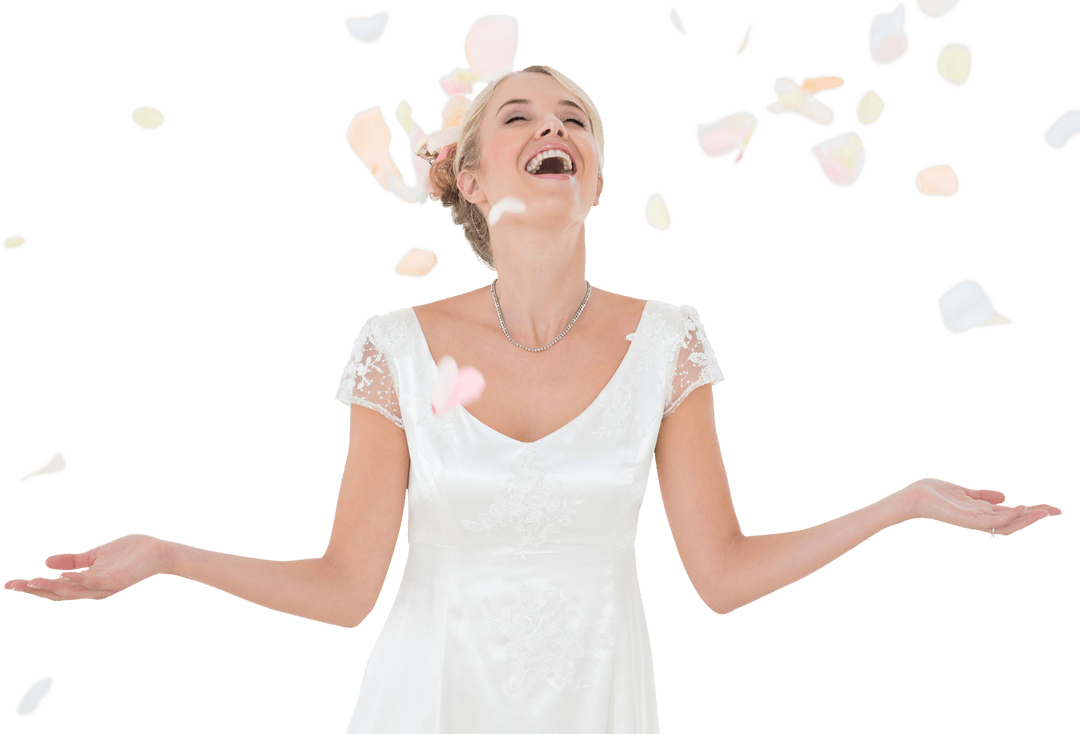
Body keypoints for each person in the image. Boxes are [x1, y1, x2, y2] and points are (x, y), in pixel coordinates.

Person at [3, 65, 1062, 733]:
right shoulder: (397, 346)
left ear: (594, 176)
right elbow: (343, 586)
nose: (555, 126)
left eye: (576, 119)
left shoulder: (670, 340)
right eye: (520, 115)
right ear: (468, 175)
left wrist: (904, 502)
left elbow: (724, 575)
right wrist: (168, 555)